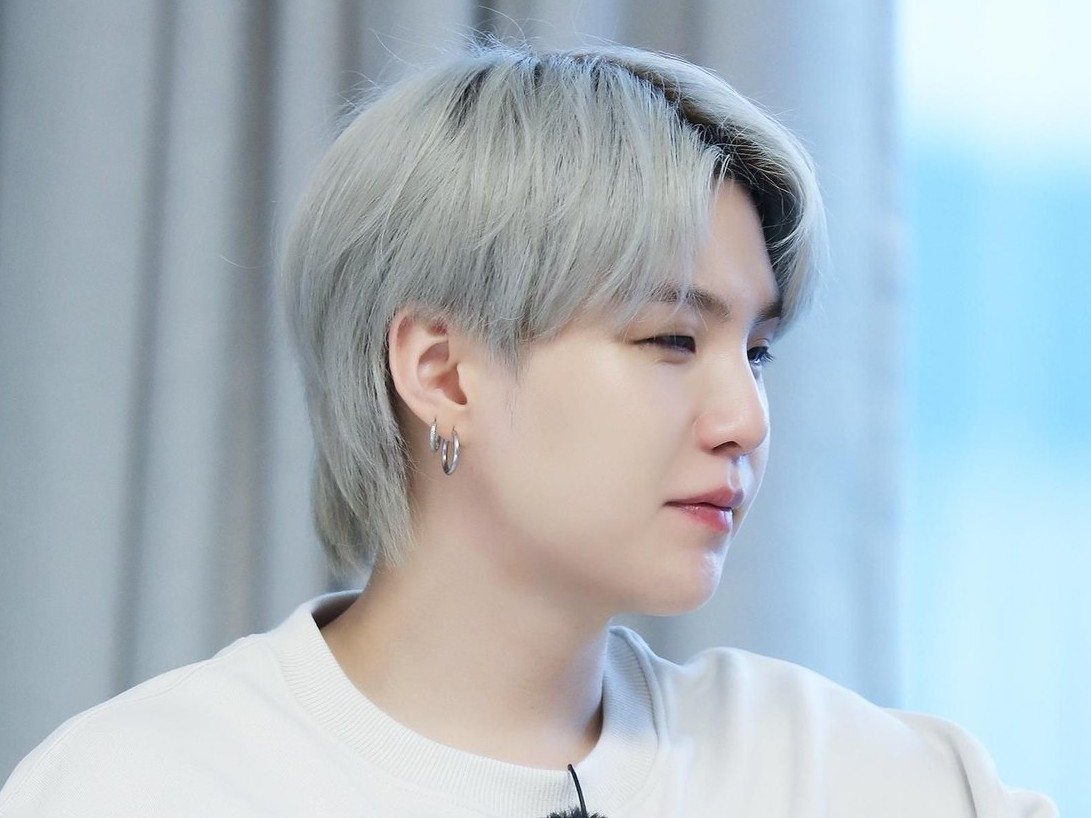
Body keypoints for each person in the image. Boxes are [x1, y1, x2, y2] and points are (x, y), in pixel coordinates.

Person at [0, 44, 1055, 818]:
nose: (744, 419)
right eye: (670, 339)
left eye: (757, 351)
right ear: (441, 370)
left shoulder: (850, 775)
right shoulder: (139, 785)